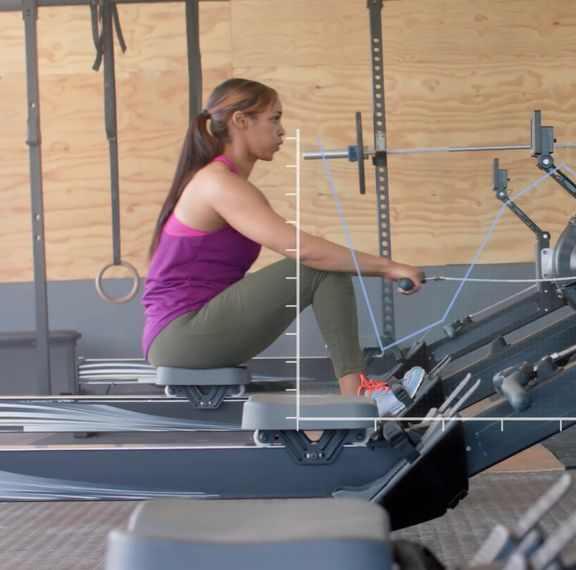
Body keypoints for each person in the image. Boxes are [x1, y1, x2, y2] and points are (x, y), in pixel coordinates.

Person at [142, 78, 424, 413]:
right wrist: (388, 267)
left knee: (322, 268)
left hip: (192, 331)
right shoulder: (216, 184)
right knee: (316, 269)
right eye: (274, 119)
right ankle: (360, 397)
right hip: (180, 335)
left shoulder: (227, 183)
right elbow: (301, 250)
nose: (282, 131)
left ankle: (359, 395)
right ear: (241, 122)